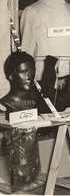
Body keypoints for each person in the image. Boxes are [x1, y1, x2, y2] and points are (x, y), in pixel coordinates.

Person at [0, 51, 41, 190]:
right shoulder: (6, 103)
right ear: (10, 75)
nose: (29, 77)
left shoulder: (35, 102)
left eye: (32, 71)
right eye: (24, 72)